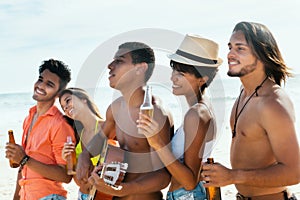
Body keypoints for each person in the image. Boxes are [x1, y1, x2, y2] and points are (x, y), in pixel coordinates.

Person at [201, 21, 300, 199]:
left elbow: (294, 173)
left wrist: (232, 176)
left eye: (240, 48)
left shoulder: (273, 103)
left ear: (262, 54)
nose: (230, 54)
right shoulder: (244, 93)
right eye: (230, 47)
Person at [76, 42, 174, 200]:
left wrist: (124, 189)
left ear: (140, 68)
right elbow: (100, 138)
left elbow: (163, 175)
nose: (109, 66)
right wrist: (84, 156)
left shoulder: (155, 113)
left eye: (119, 61)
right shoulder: (115, 109)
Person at [137, 34, 222, 200]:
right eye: (174, 69)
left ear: (202, 79)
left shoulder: (196, 114)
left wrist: (156, 142)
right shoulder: (202, 108)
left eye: (181, 73)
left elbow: (190, 181)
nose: (173, 77)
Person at [5, 59, 75, 200]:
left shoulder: (59, 124)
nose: (41, 86)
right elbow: (23, 168)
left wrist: (25, 159)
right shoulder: (29, 118)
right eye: (40, 79)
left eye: (49, 84)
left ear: (58, 93)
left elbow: (66, 176)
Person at [59, 87, 115, 200]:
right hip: (83, 196)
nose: (65, 107)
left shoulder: (107, 128)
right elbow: (78, 180)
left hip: (104, 196)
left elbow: (120, 163)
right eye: (63, 107)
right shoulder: (77, 136)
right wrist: (69, 160)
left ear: (84, 99)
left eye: (68, 100)